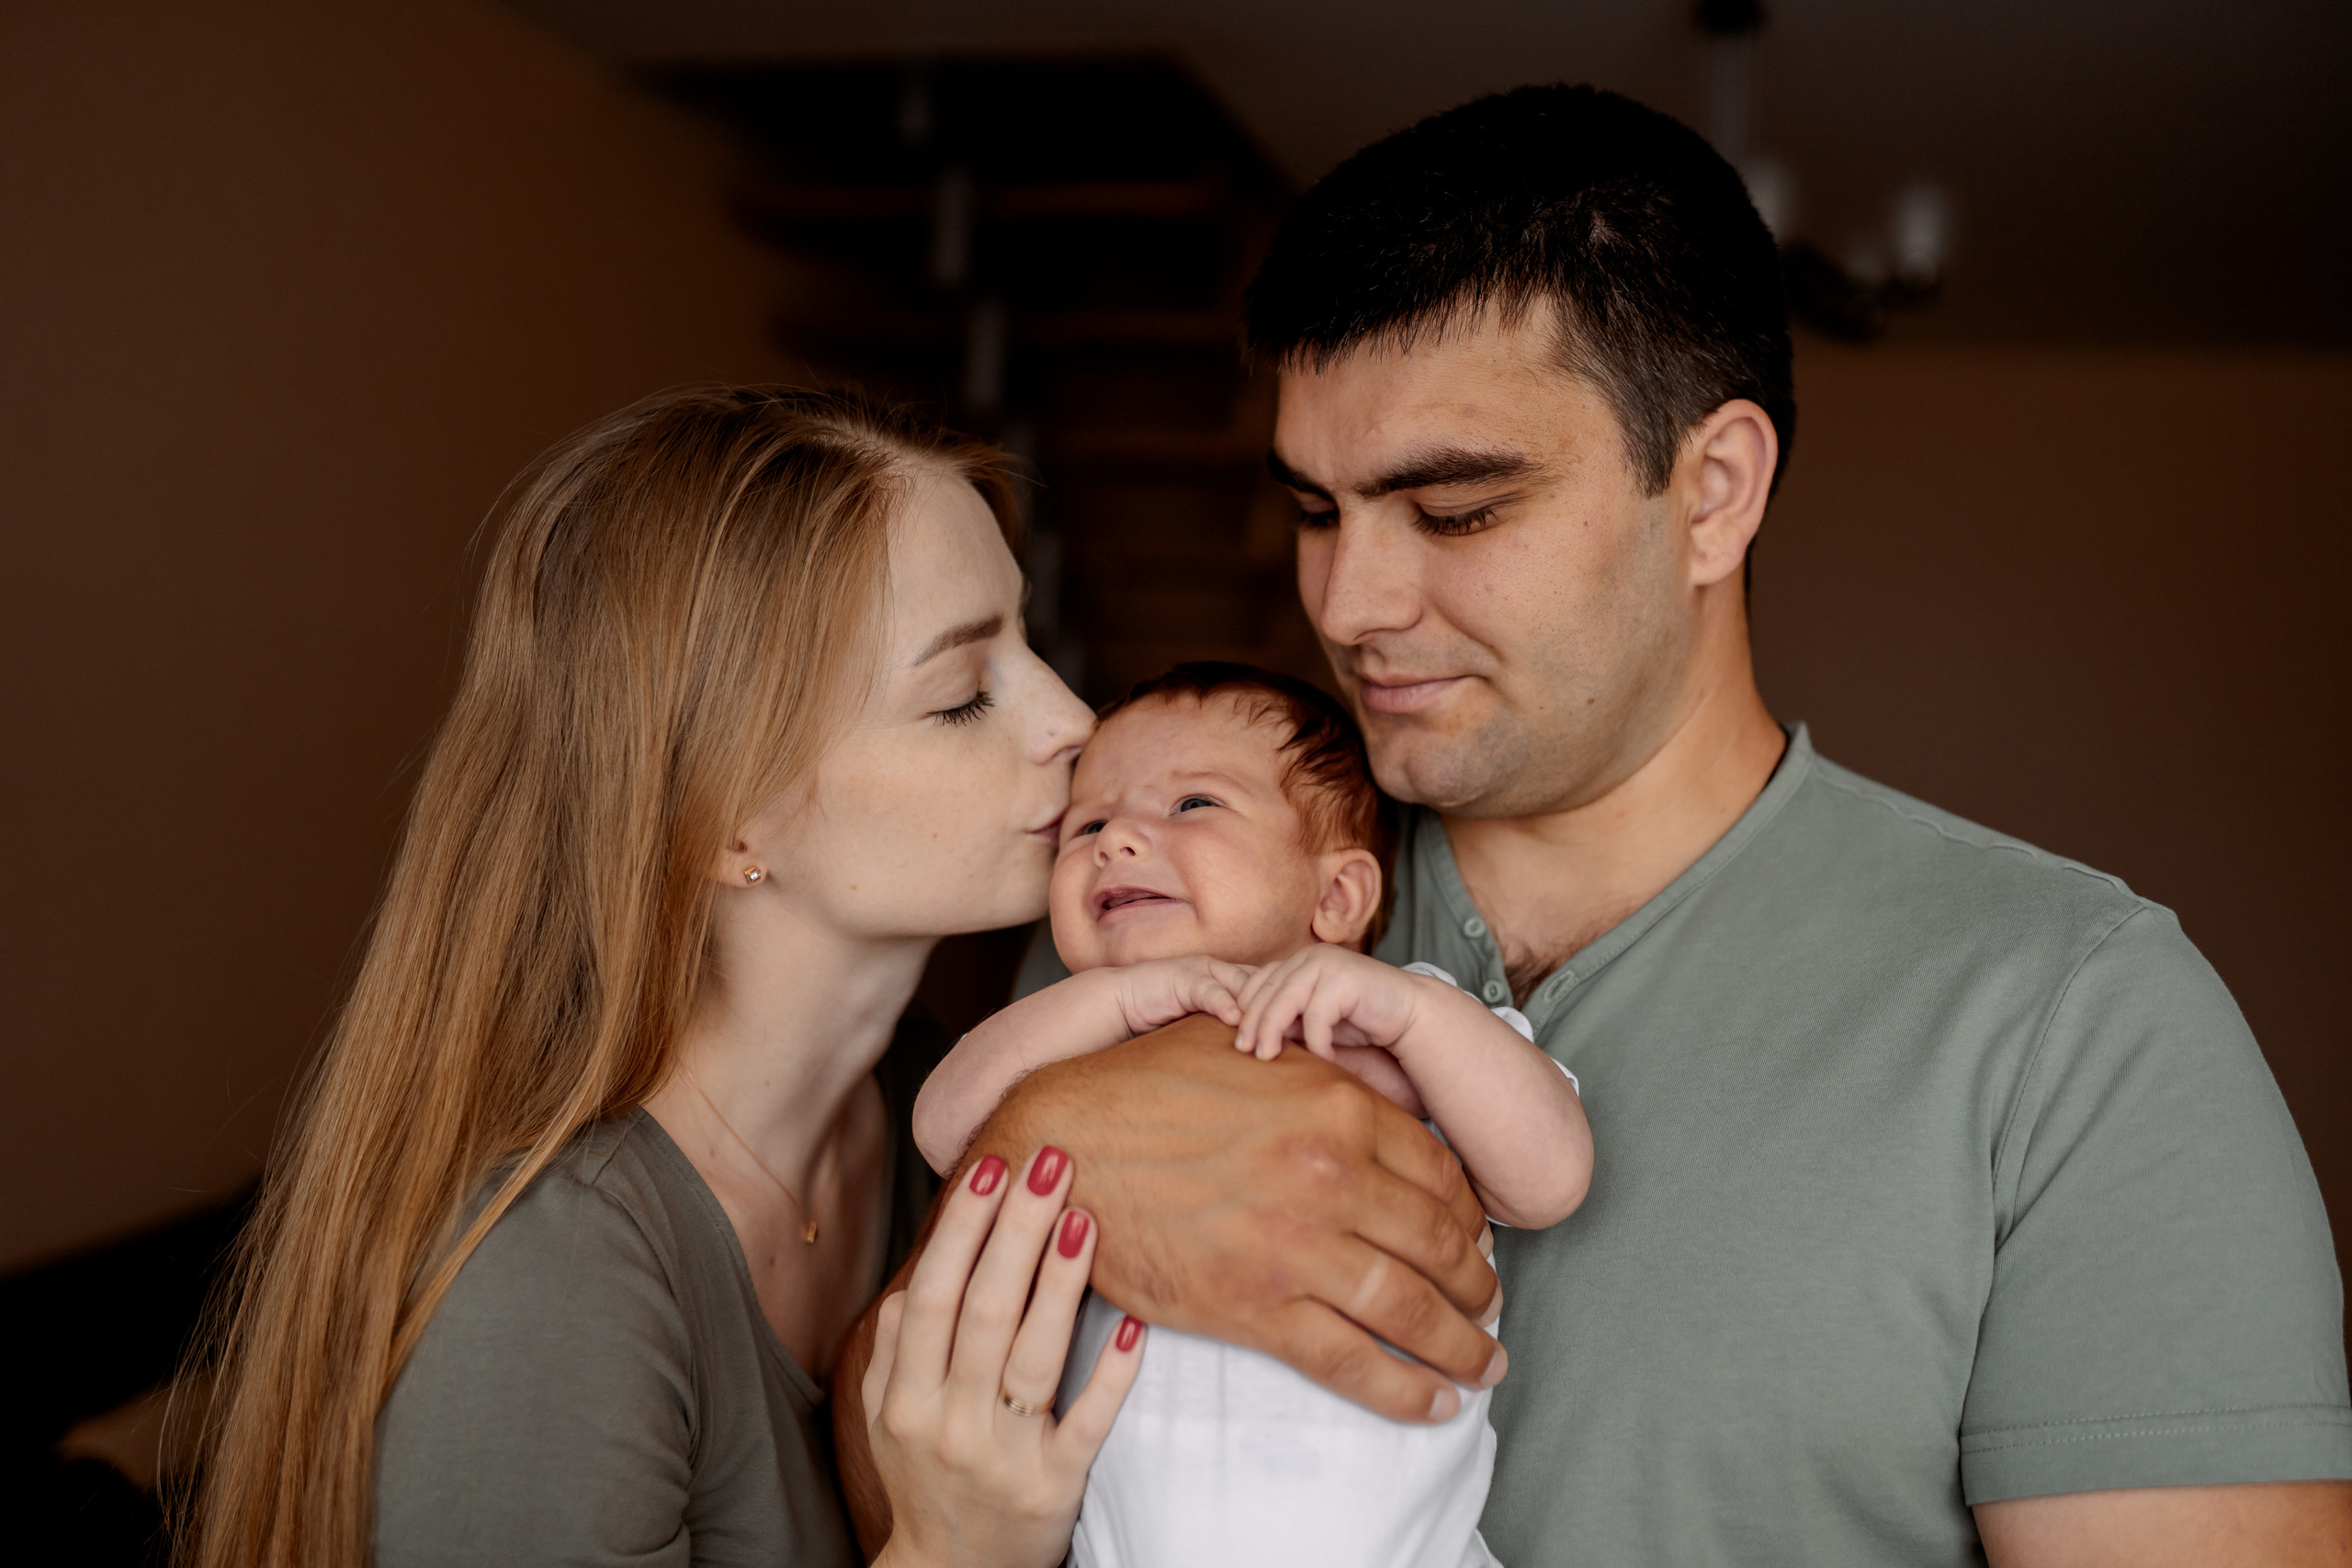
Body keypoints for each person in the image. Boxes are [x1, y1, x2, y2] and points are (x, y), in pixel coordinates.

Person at [839, 85, 2352, 1564]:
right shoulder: (1168, 913)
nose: (1349, 605)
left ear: (1713, 492)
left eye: (1454, 510)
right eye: (1315, 510)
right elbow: (884, 1449)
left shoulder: (2080, 1024)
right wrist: (1041, 1142)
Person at [183, 387, 1149, 1568]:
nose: (1076, 719)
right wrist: (958, 1552)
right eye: (959, 699)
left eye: (1028, 642)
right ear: (725, 823)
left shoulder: (920, 1094)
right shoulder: (545, 1280)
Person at [914, 662, 1590, 1568]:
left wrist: (1410, 1015)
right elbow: (945, 1125)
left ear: (1336, 898)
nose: (1118, 842)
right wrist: (1137, 997)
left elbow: (1549, 1179)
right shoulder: (1079, 1050)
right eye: (1089, 823)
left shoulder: (1406, 1028)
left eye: (1192, 804)